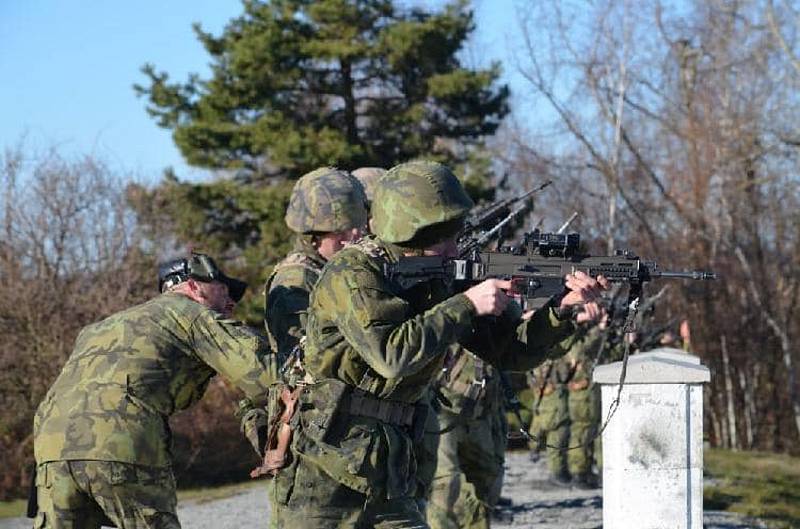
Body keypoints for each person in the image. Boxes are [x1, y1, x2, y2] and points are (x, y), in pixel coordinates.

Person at [269, 160, 608, 528]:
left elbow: (512, 351)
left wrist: (560, 310)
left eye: (454, 233)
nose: (453, 247)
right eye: (441, 237)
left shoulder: (443, 275)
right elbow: (391, 354)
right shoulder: (354, 272)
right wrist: (466, 304)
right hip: (326, 469)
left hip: (393, 465)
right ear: (408, 231)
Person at [32, 253, 279, 529]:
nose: (231, 303)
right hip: (119, 441)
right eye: (223, 290)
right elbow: (266, 375)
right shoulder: (191, 314)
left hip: (51, 447)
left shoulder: (101, 328)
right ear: (194, 286)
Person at [264, 167, 368, 364]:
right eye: (341, 230)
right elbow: (306, 362)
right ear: (313, 233)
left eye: (358, 226)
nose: (354, 236)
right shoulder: (295, 283)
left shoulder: (337, 269)